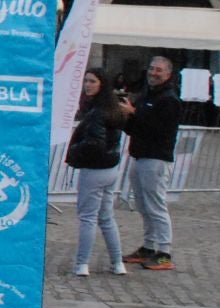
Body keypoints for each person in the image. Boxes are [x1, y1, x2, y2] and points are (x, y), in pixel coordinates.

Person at [65, 68, 130, 276]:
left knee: (88, 217)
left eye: (92, 81)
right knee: (106, 217)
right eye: (86, 81)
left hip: (95, 168)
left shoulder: (97, 112)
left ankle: (82, 263)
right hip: (110, 167)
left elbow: (94, 143)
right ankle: (117, 262)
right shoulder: (112, 109)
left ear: (102, 84)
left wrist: (74, 150)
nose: (87, 85)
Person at [124, 54, 183, 270]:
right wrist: (126, 116)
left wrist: (135, 113)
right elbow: (134, 128)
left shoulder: (169, 99)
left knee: (156, 205)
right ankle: (148, 246)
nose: (153, 73)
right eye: (151, 68)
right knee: (143, 204)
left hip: (156, 158)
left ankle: (165, 251)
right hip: (139, 155)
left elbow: (160, 129)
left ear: (168, 74)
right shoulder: (146, 95)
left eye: (159, 70)